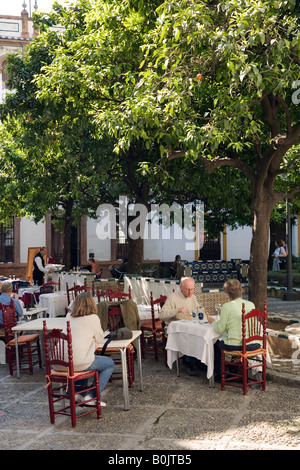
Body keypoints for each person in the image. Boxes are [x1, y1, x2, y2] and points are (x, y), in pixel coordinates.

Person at [62, 292, 115, 406]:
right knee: (109, 363)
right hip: (78, 362)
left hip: (62, 362)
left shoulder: (68, 316)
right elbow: (100, 338)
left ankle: (77, 392)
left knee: (84, 358)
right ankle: (91, 396)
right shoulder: (93, 318)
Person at [207, 279, 260, 381]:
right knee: (229, 341)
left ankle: (219, 374)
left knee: (216, 344)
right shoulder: (251, 304)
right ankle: (233, 370)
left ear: (227, 294)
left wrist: (212, 322)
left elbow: (220, 329)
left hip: (238, 345)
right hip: (254, 344)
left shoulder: (227, 306)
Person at [160, 276, 205, 376]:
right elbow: (161, 315)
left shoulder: (192, 297)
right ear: (181, 287)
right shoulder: (173, 297)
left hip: (190, 325)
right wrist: (177, 310)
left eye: (192, 289)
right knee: (189, 335)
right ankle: (189, 363)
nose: (190, 292)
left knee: (201, 335)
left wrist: (199, 310)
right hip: (175, 328)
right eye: (188, 289)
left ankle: (199, 361)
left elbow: (197, 309)